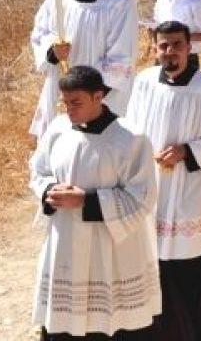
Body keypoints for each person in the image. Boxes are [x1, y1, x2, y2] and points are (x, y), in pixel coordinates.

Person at [126, 21, 201, 341]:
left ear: (190, 48)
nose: (169, 52)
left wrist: (188, 152)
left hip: (195, 200)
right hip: (155, 198)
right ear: (155, 47)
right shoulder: (144, 83)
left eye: (176, 45)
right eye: (163, 45)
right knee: (157, 279)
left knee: (193, 282)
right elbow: (132, 134)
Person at [31, 65, 160, 339]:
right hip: (65, 240)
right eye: (65, 102)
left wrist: (86, 201)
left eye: (76, 102)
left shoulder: (131, 139)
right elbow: (39, 170)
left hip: (111, 250)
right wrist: (49, 190)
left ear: (98, 96)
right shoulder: (58, 129)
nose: (69, 109)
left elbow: (142, 197)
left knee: (107, 324)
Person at [30, 0, 140, 137]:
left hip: (98, 98)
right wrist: (52, 52)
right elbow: (40, 32)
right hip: (59, 88)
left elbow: (122, 56)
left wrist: (88, 99)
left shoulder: (120, 2)